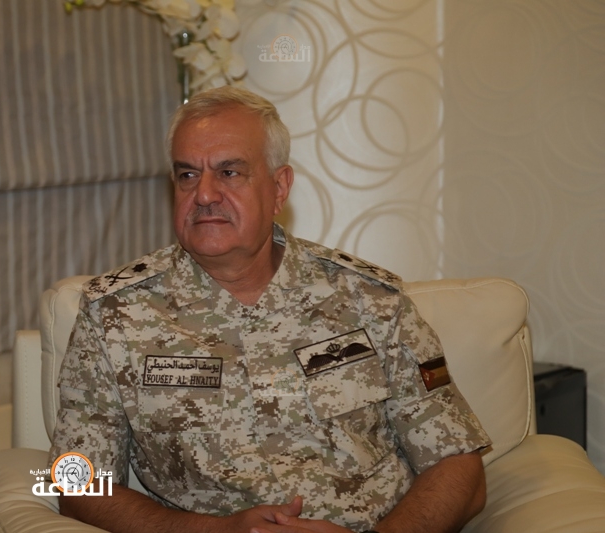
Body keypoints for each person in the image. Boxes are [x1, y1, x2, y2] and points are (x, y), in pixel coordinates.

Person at [49, 86, 490, 533]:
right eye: (187, 175)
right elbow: (74, 481)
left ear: (279, 188)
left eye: (229, 172)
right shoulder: (115, 315)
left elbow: (457, 463)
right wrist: (214, 532)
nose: (204, 194)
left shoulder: (369, 299)